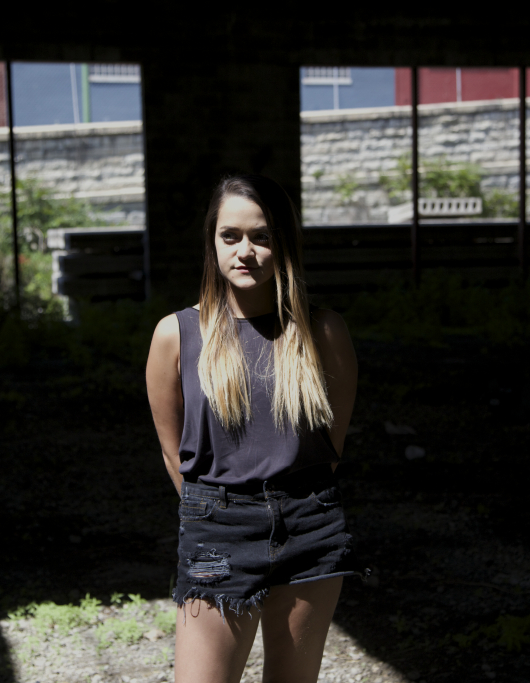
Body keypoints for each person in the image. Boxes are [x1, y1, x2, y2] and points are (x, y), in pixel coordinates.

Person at [145, 174, 361, 683]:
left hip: (310, 525)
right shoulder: (176, 335)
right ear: (212, 242)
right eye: (230, 236)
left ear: (284, 241)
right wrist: (215, 511)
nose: (245, 251)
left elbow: (332, 446)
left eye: (261, 236)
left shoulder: (323, 331)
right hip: (217, 530)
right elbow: (172, 453)